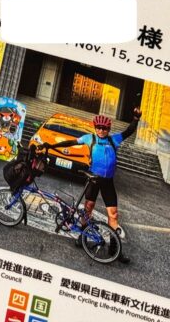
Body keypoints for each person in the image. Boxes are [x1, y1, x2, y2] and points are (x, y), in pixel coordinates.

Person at [44, 108, 141, 264]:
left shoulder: (114, 140)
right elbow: (71, 142)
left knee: (113, 214)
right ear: (95, 128)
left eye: (104, 128)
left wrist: (135, 118)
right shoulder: (90, 138)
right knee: (87, 209)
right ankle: (83, 236)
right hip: (93, 179)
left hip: (108, 181)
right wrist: (51, 146)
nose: (101, 131)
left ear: (108, 129)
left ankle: (114, 249)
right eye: (99, 128)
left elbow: (128, 131)